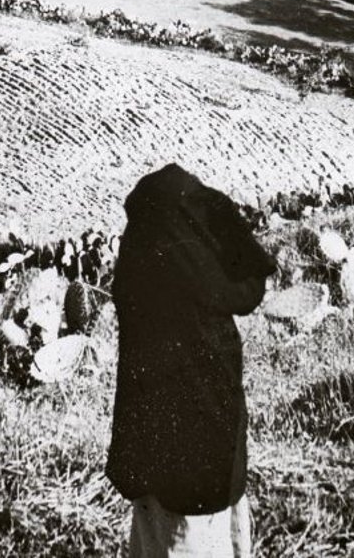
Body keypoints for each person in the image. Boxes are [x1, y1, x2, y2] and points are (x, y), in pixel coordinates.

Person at [106, 163, 277, 558]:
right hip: (208, 449)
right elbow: (247, 284)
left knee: (169, 535)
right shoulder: (206, 281)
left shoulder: (149, 247)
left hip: (160, 448)